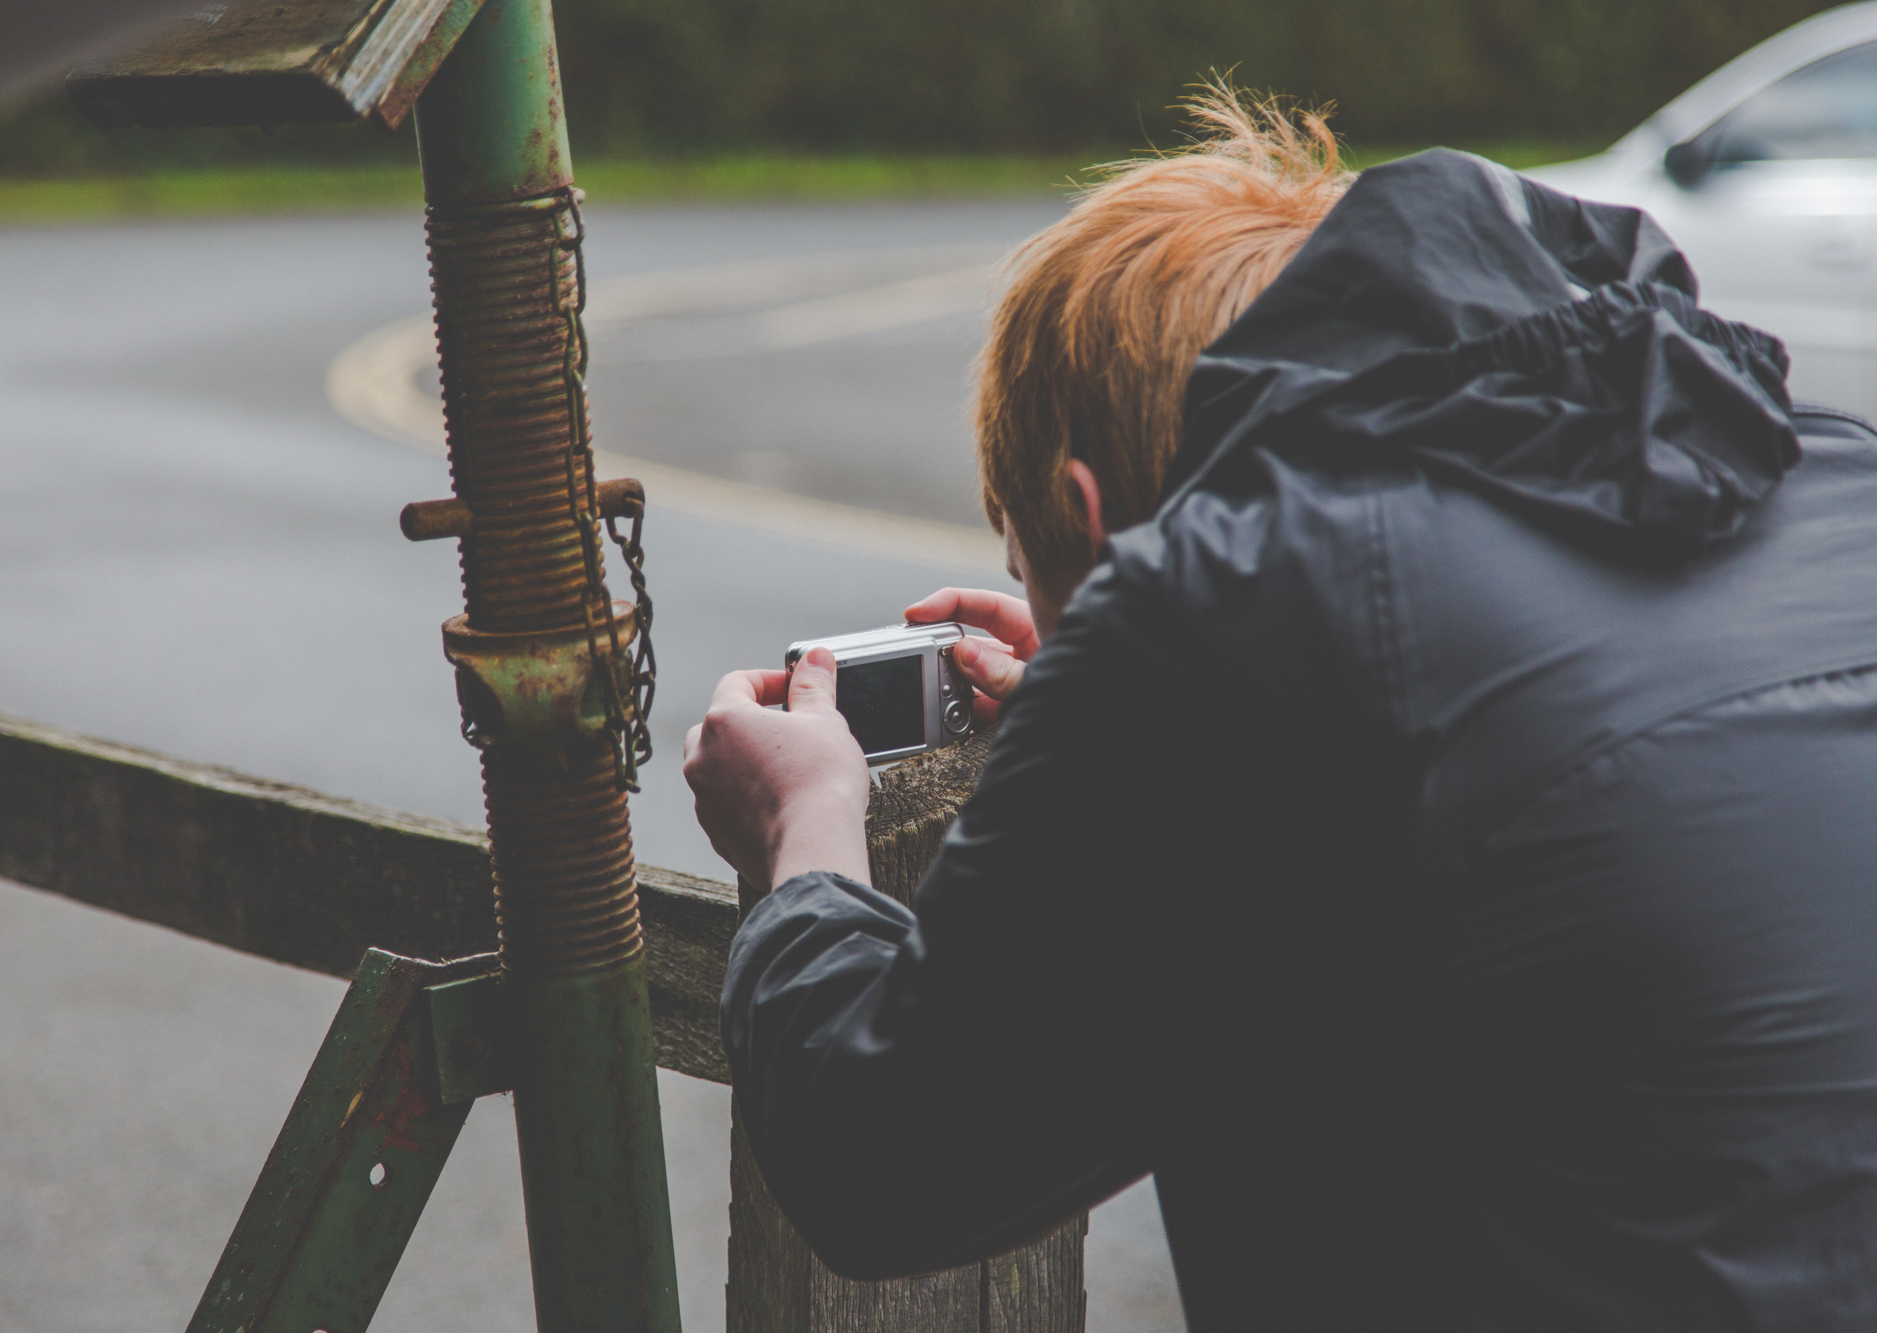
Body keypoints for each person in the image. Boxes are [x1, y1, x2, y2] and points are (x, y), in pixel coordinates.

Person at [683, 87, 1877, 1331]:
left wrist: (804, 834)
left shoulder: (1222, 624)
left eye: (1028, 558)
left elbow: (886, 1158)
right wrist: (1132, 724)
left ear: (1088, 513)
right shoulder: (1821, 467)